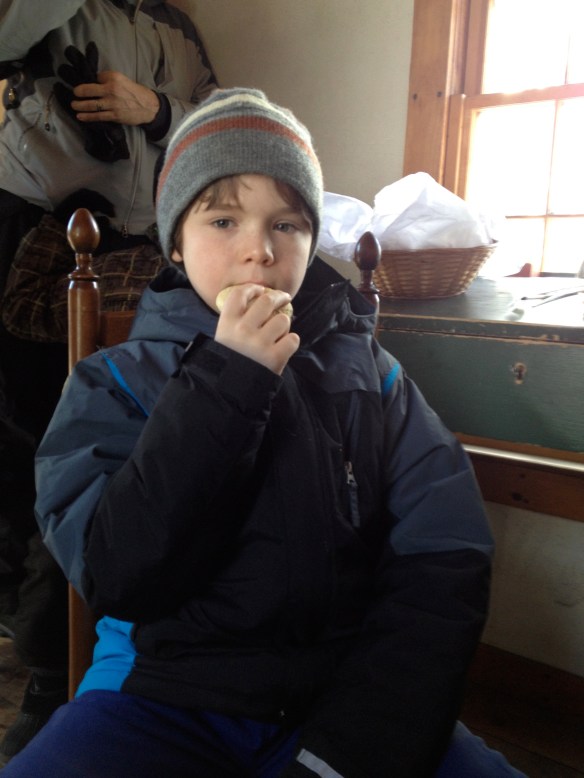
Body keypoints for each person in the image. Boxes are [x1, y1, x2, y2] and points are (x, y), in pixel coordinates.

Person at [4, 88, 525, 777]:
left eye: (288, 224)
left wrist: (354, 749)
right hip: (161, 693)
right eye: (223, 220)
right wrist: (227, 381)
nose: (259, 250)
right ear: (176, 242)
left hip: (348, 697)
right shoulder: (113, 382)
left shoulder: (375, 379)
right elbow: (118, 571)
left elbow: (445, 557)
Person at [0, 0, 217, 762]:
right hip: (30, 229)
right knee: (32, 452)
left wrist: (156, 109)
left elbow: (214, 123)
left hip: (141, 247)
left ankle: (80, 662)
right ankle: (46, 667)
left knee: (120, 447)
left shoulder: (176, 23)